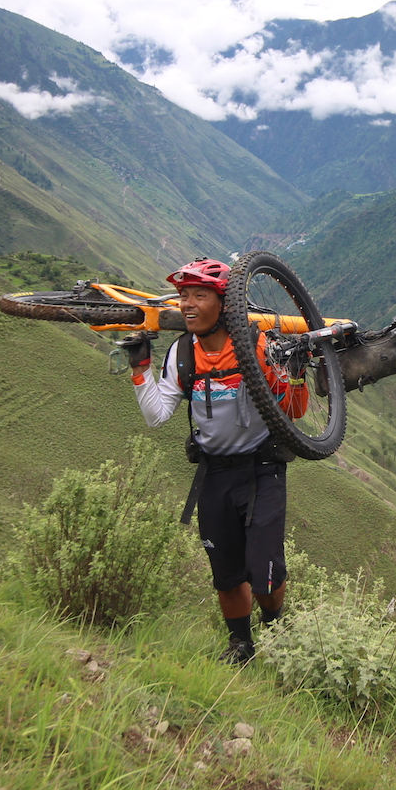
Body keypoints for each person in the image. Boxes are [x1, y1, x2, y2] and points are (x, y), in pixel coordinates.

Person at [122, 257, 309, 664]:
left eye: (199, 295)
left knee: (265, 569)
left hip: (261, 469)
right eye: (183, 295)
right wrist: (140, 368)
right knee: (225, 572)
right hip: (214, 473)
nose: (187, 304)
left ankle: (278, 630)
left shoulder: (259, 346)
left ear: (223, 303)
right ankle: (240, 646)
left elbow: (294, 410)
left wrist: (294, 372)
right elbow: (156, 415)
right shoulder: (181, 354)